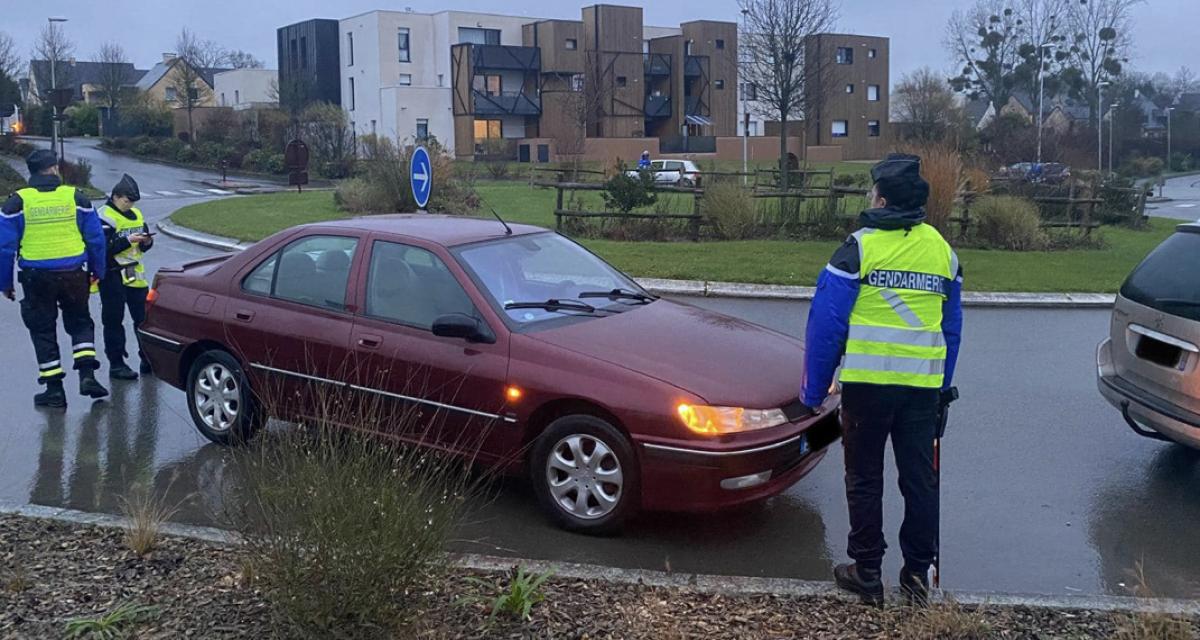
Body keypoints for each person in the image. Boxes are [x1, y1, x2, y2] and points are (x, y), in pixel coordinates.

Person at [801, 153, 963, 606]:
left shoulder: (858, 248)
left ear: (882, 197)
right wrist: (941, 386)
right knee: (919, 481)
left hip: (867, 390)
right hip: (921, 393)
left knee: (865, 479)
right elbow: (951, 330)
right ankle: (916, 575)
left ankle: (867, 571)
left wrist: (814, 392)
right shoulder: (942, 253)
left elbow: (826, 325)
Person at [0, 149, 109, 407]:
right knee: (81, 322)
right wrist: (97, 271)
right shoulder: (76, 197)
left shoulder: (17, 202)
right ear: (55, 170)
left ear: (32, 171)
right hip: (73, 273)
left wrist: (5, 283)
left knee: (43, 329)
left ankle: (54, 390)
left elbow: (4, 247)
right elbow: (96, 239)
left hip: (36, 277)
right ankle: (87, 375)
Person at [98, 174, 154, 380]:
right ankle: (117, 363)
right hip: (113, 276)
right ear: (115, 196)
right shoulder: (104, 216)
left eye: (132, 202)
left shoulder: (136, 214)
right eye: (126, 201)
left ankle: (147, 358)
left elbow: (143, 244)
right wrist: (127, 240)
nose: (129, 205)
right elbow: (101, 248)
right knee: (114, 321)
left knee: (143, 319)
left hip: (135, 276)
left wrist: (146, 243)